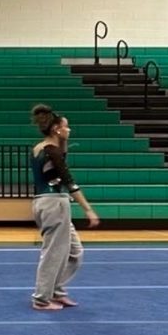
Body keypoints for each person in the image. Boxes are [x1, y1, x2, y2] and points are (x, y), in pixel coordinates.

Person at [29, 103, 100, 311]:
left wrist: (64, 143)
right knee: (54, 253)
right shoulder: (51, 151)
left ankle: (56, 291)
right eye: (66, 127)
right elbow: (68, 181)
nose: (69, 130)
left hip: (47, 201)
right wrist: (88, 209)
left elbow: (57, 171)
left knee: (75, 252)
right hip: (54, 204)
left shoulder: (43, 148)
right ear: (56, 129)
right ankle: (41, 298)